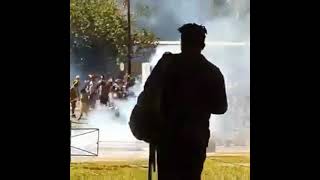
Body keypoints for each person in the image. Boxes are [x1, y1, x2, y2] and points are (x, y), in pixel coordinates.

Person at [143, 23, 228, 180]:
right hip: (195, 140)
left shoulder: (167, 65)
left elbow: (148, 91)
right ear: (202, 44)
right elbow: (221, 107)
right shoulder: (212, 71)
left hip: (167, 138)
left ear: (182, 42)